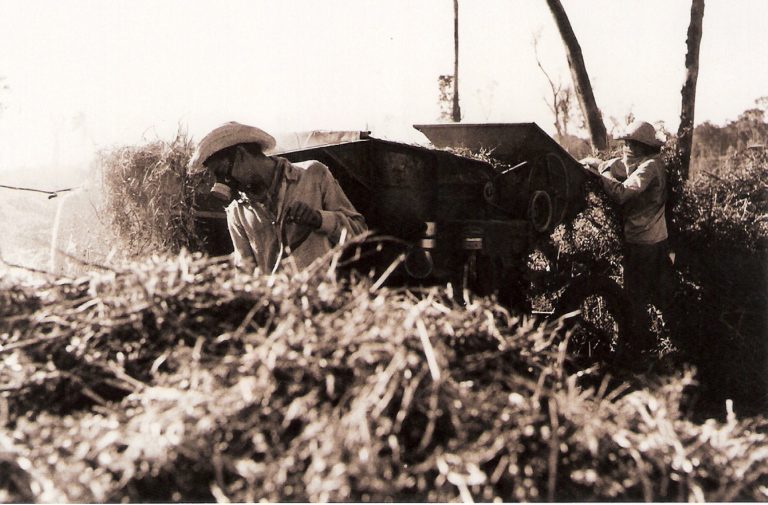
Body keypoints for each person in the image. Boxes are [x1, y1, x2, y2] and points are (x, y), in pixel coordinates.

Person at [188, 121, 367, 273]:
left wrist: (319, 219)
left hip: (319, 296)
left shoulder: (312, 174)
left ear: (242, 155)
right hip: (278, 301)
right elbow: (245, 272)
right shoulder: (236, 211)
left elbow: (360, 233)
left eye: (223, 173)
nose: (224, 184)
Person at [582, 120, 675, 351]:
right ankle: (665, 341)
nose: (626, 148)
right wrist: (593, 163)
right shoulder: (642, 162)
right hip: (655, 239)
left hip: (644, 243)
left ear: (643, 146)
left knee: (635, 297)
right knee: (659, 293)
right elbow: (616, 166)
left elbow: (622, 193)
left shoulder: (650, 167)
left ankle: (638, 347)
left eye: (631, 144)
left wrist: (601, 174)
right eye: (625, 144)